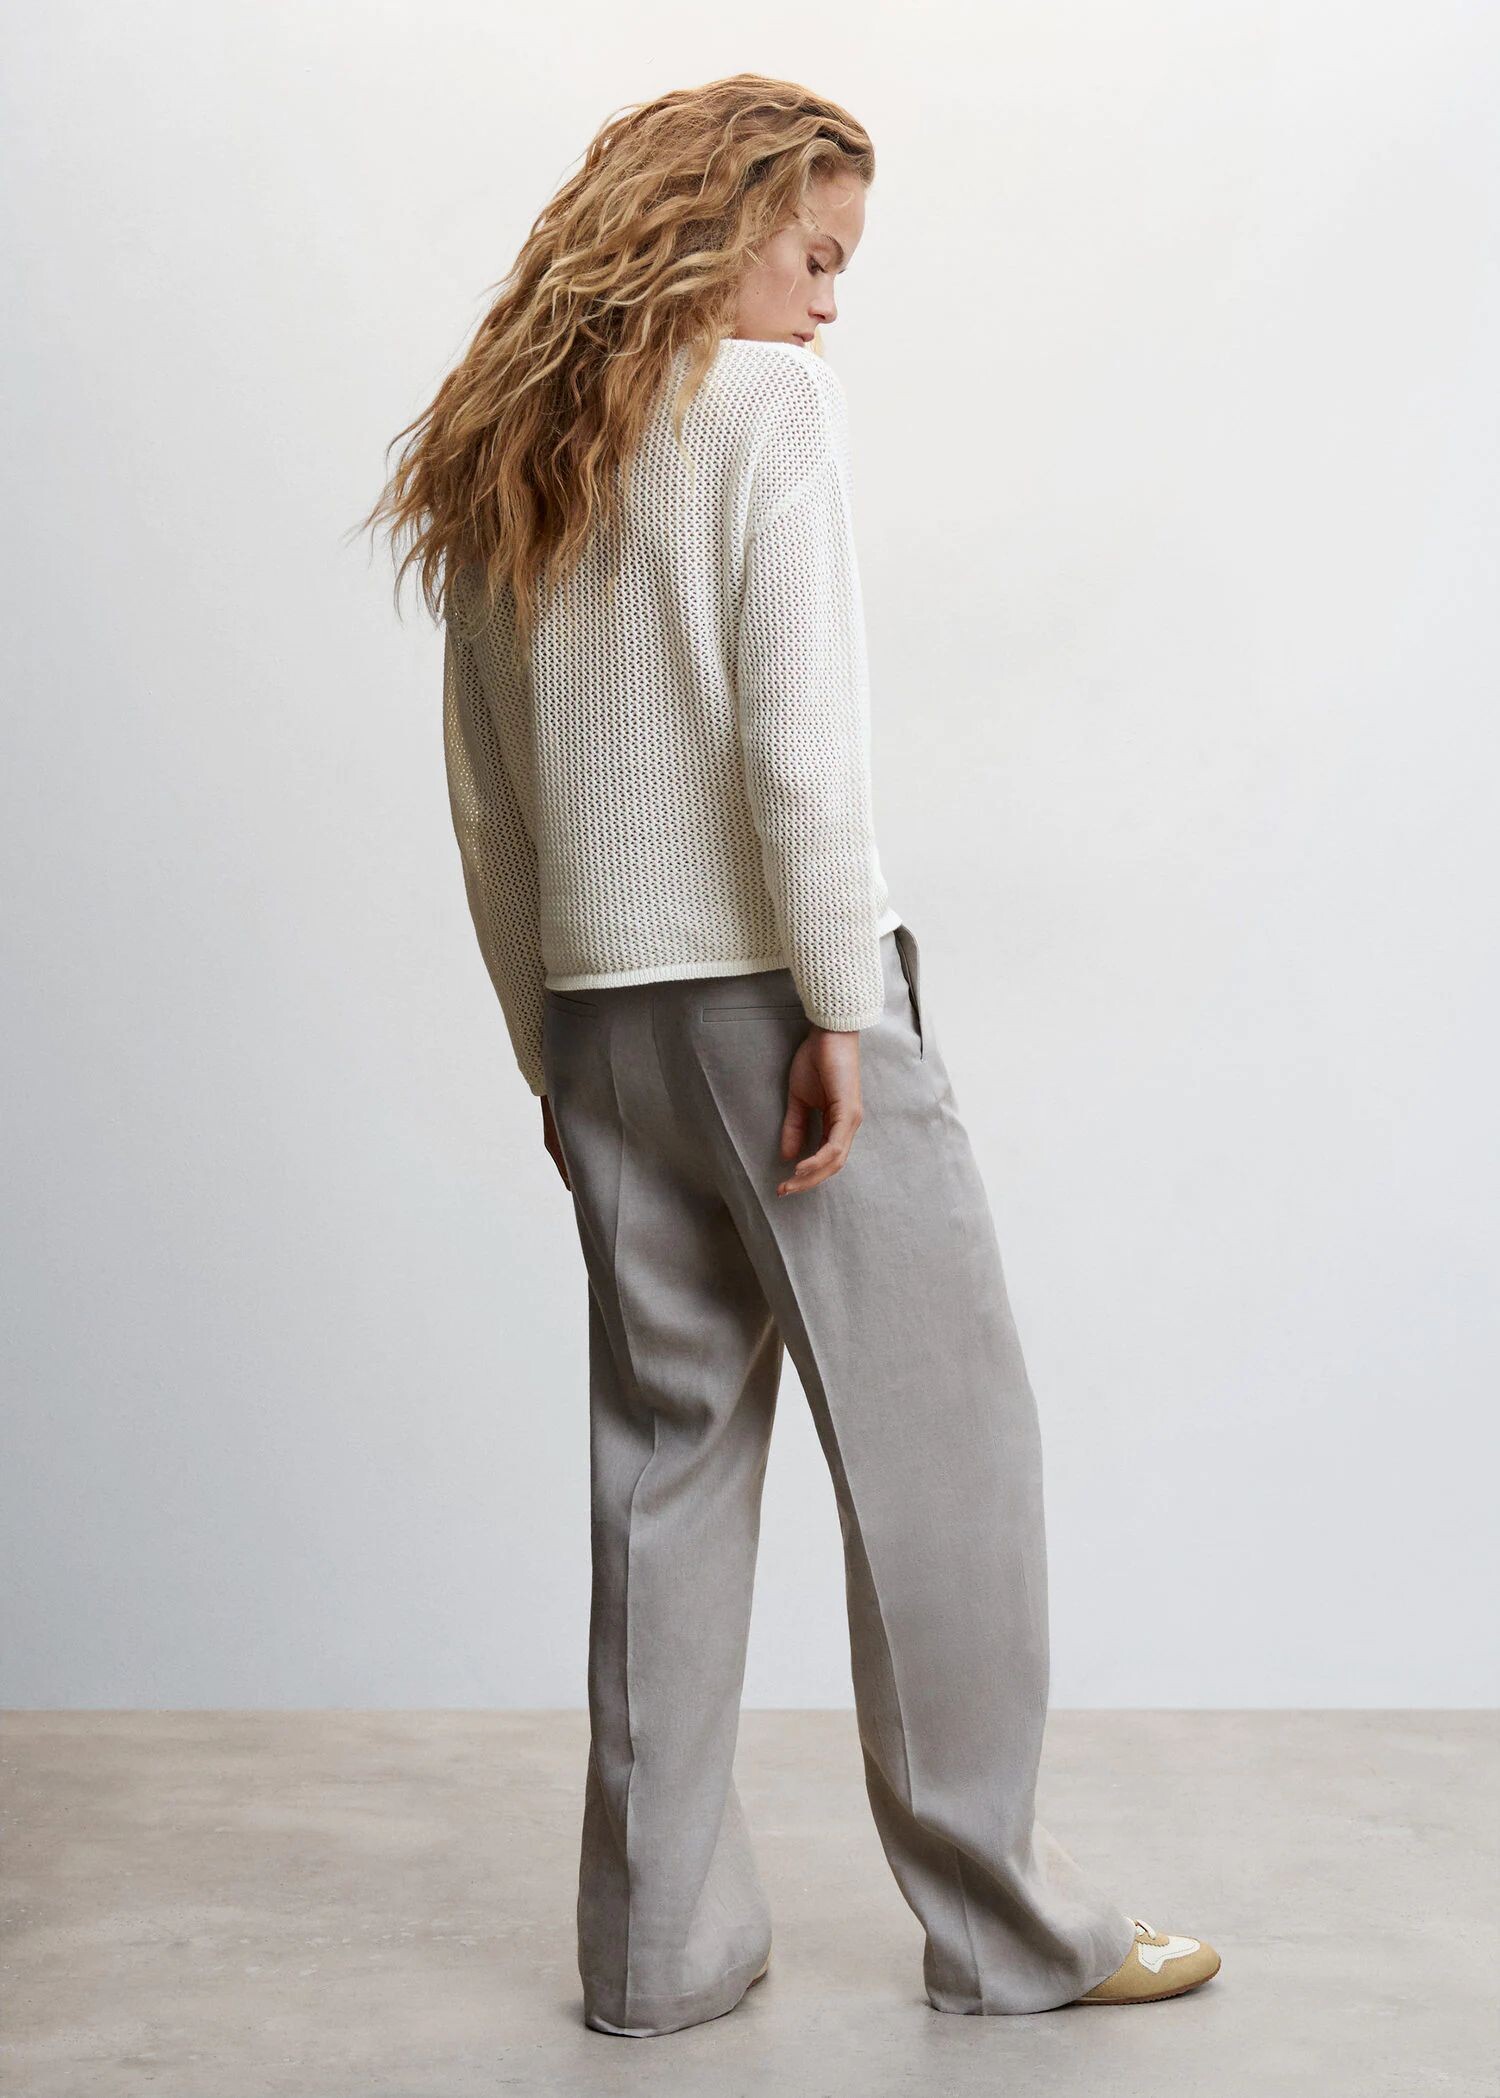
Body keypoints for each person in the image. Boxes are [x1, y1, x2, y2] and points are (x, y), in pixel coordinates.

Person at [365, 71, 1220, 2039]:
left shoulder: (510, 450)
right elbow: (799, 746)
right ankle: (1008, 1929)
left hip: (602, 1017)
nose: (832, 304)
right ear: (713, 221)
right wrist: (842, 1002)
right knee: (949, 1462)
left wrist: (548, 1057)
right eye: (816, 254)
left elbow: (488, 806)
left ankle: (655, 1952)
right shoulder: (767, 410)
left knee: (663, 1465)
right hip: (778, 1003)